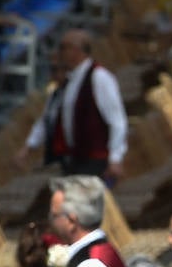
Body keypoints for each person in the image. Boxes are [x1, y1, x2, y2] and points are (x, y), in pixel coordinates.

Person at [18, 29, 128, 180]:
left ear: (76, 50)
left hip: (95, 159)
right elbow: (49, 118)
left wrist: (115, 158)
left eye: (64, 47)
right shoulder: (69, 82)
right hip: (75, 158)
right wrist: (29, 146)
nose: (61, 52)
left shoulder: (99, 77)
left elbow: (117, 121)